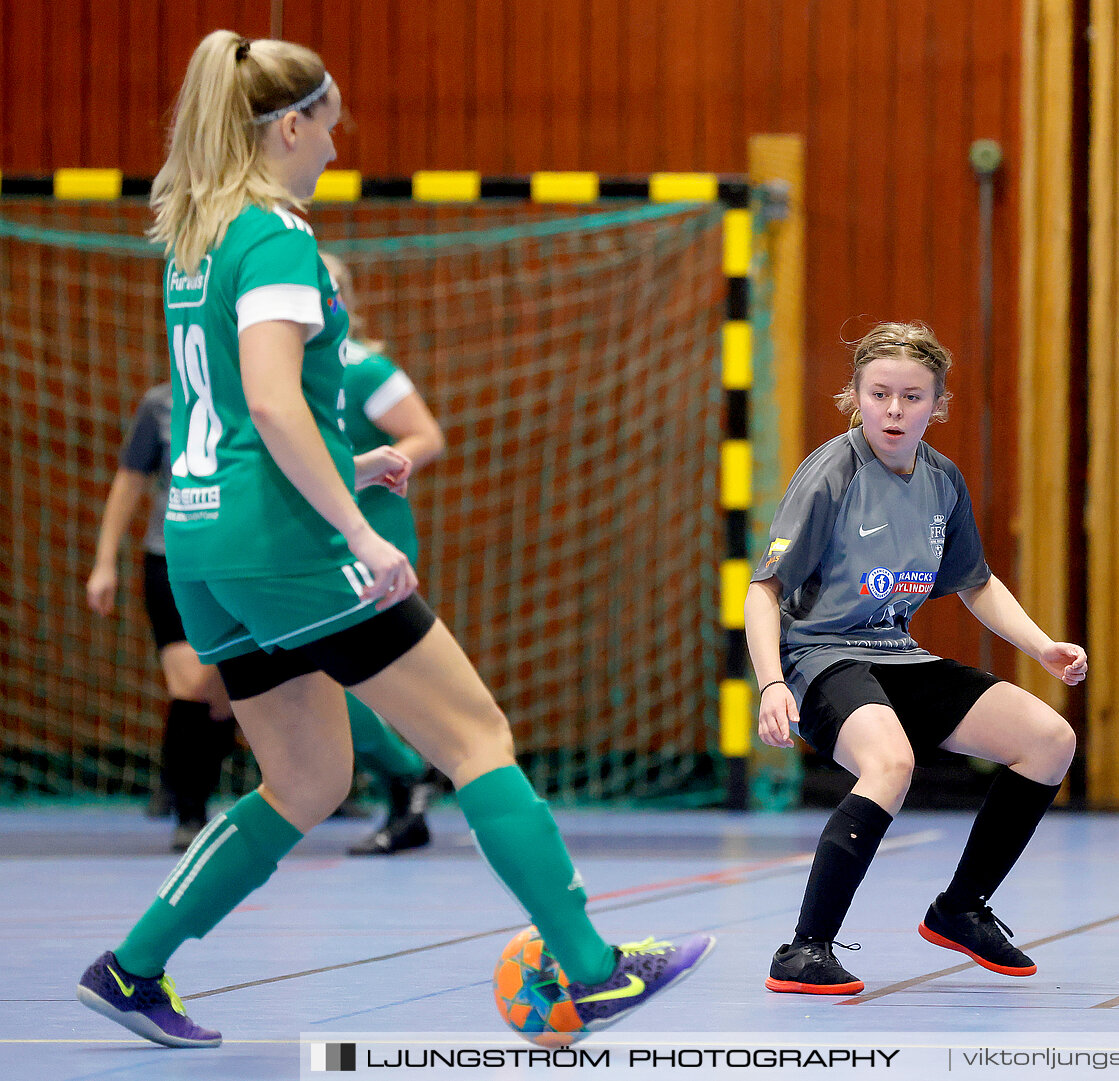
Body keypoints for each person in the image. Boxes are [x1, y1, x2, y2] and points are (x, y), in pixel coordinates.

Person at [74, 31, 711, 1049]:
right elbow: (276, 408)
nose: (336, 146)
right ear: (290, 126)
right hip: (285, 543)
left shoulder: (199, 238)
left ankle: (134, 963)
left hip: (202, 543)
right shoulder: (277, 238)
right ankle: (590, 970)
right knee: (475, 737)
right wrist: (358, 528)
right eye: (330, 124)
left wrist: (351, 461)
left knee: (309, 780)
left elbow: (237, 408)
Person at [748, 322, 1086, 995]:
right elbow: (766, 588)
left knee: (1049, 739)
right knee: (890, 764)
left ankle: (960, 907)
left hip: (897, 656)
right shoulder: (832, 474)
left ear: (938, 404)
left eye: (911, 396)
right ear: (855, 398)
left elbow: (976, 581)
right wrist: (770, 683)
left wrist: (1041, 645)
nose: (895, 410)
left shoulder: (941, 480)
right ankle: (804, 948)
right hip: (822, 658)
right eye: (879, 394)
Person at [319, 250, 443, 856]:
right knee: (313, 672)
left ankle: (406, 774)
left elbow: (425, 436)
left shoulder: (365, 370)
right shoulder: (280, 373)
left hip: (372, 538)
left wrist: (380, 469)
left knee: (335, 671)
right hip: (310, 540)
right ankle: (407, 776)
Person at [87, 385, 238, 850]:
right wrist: (105, 561)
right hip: (171, 561)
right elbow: (130, 480)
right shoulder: (161, 403)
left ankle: (180, 781)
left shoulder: (256, 393)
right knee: (191, 682)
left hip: (238, 565)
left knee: (223, 694)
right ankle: (191, 813)